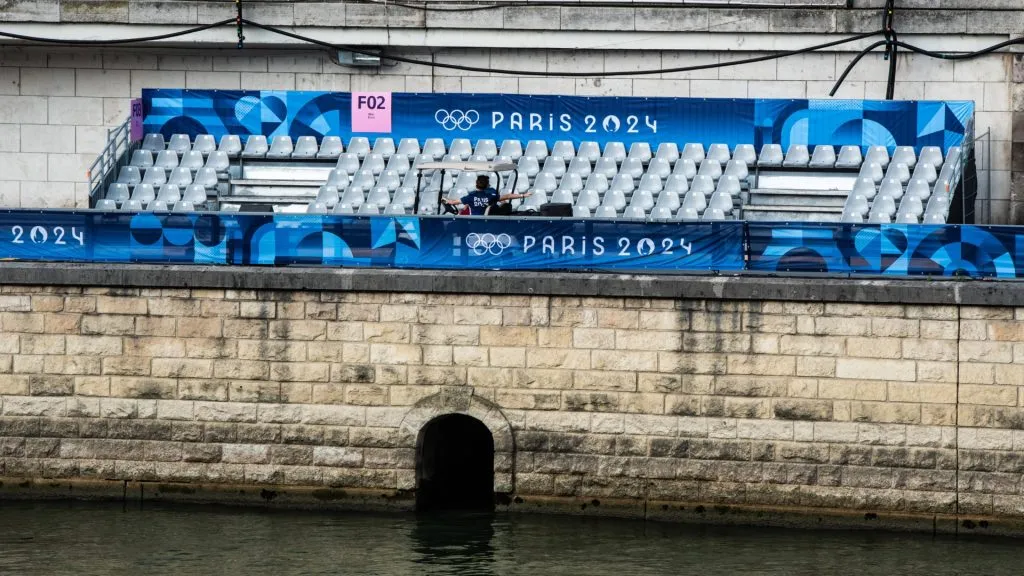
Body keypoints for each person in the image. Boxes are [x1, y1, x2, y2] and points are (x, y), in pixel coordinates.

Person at [442, 175, 532, 216]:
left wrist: (444, 198)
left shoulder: (470, 197)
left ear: (476, 184)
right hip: (486, 223)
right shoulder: (490, 196)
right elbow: (508, 196)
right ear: (487, 185)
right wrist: (523, 195)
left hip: (473, 224)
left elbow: (452, 202)